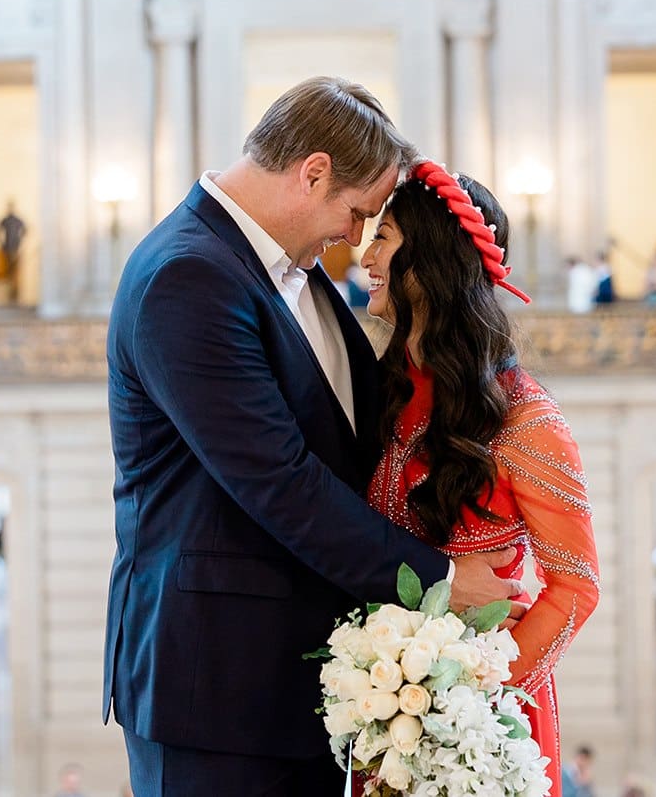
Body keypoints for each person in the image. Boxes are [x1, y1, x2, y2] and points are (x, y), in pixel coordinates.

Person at [104, 78, 527, 797]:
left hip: (302, 686)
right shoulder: (188, 276)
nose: (357, 238)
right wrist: (442, 582)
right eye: (357, 212)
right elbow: (280, 482)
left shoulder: (287, 267)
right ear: (313, 172)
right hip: (214, 687)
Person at [363, 163, 601, 797]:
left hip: (483, 725)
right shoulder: (380, 396)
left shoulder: (526, 418)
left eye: (382, 238)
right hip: (383, 709)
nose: (363, 257)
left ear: (429, 261)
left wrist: (470, 696)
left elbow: (575, 587)